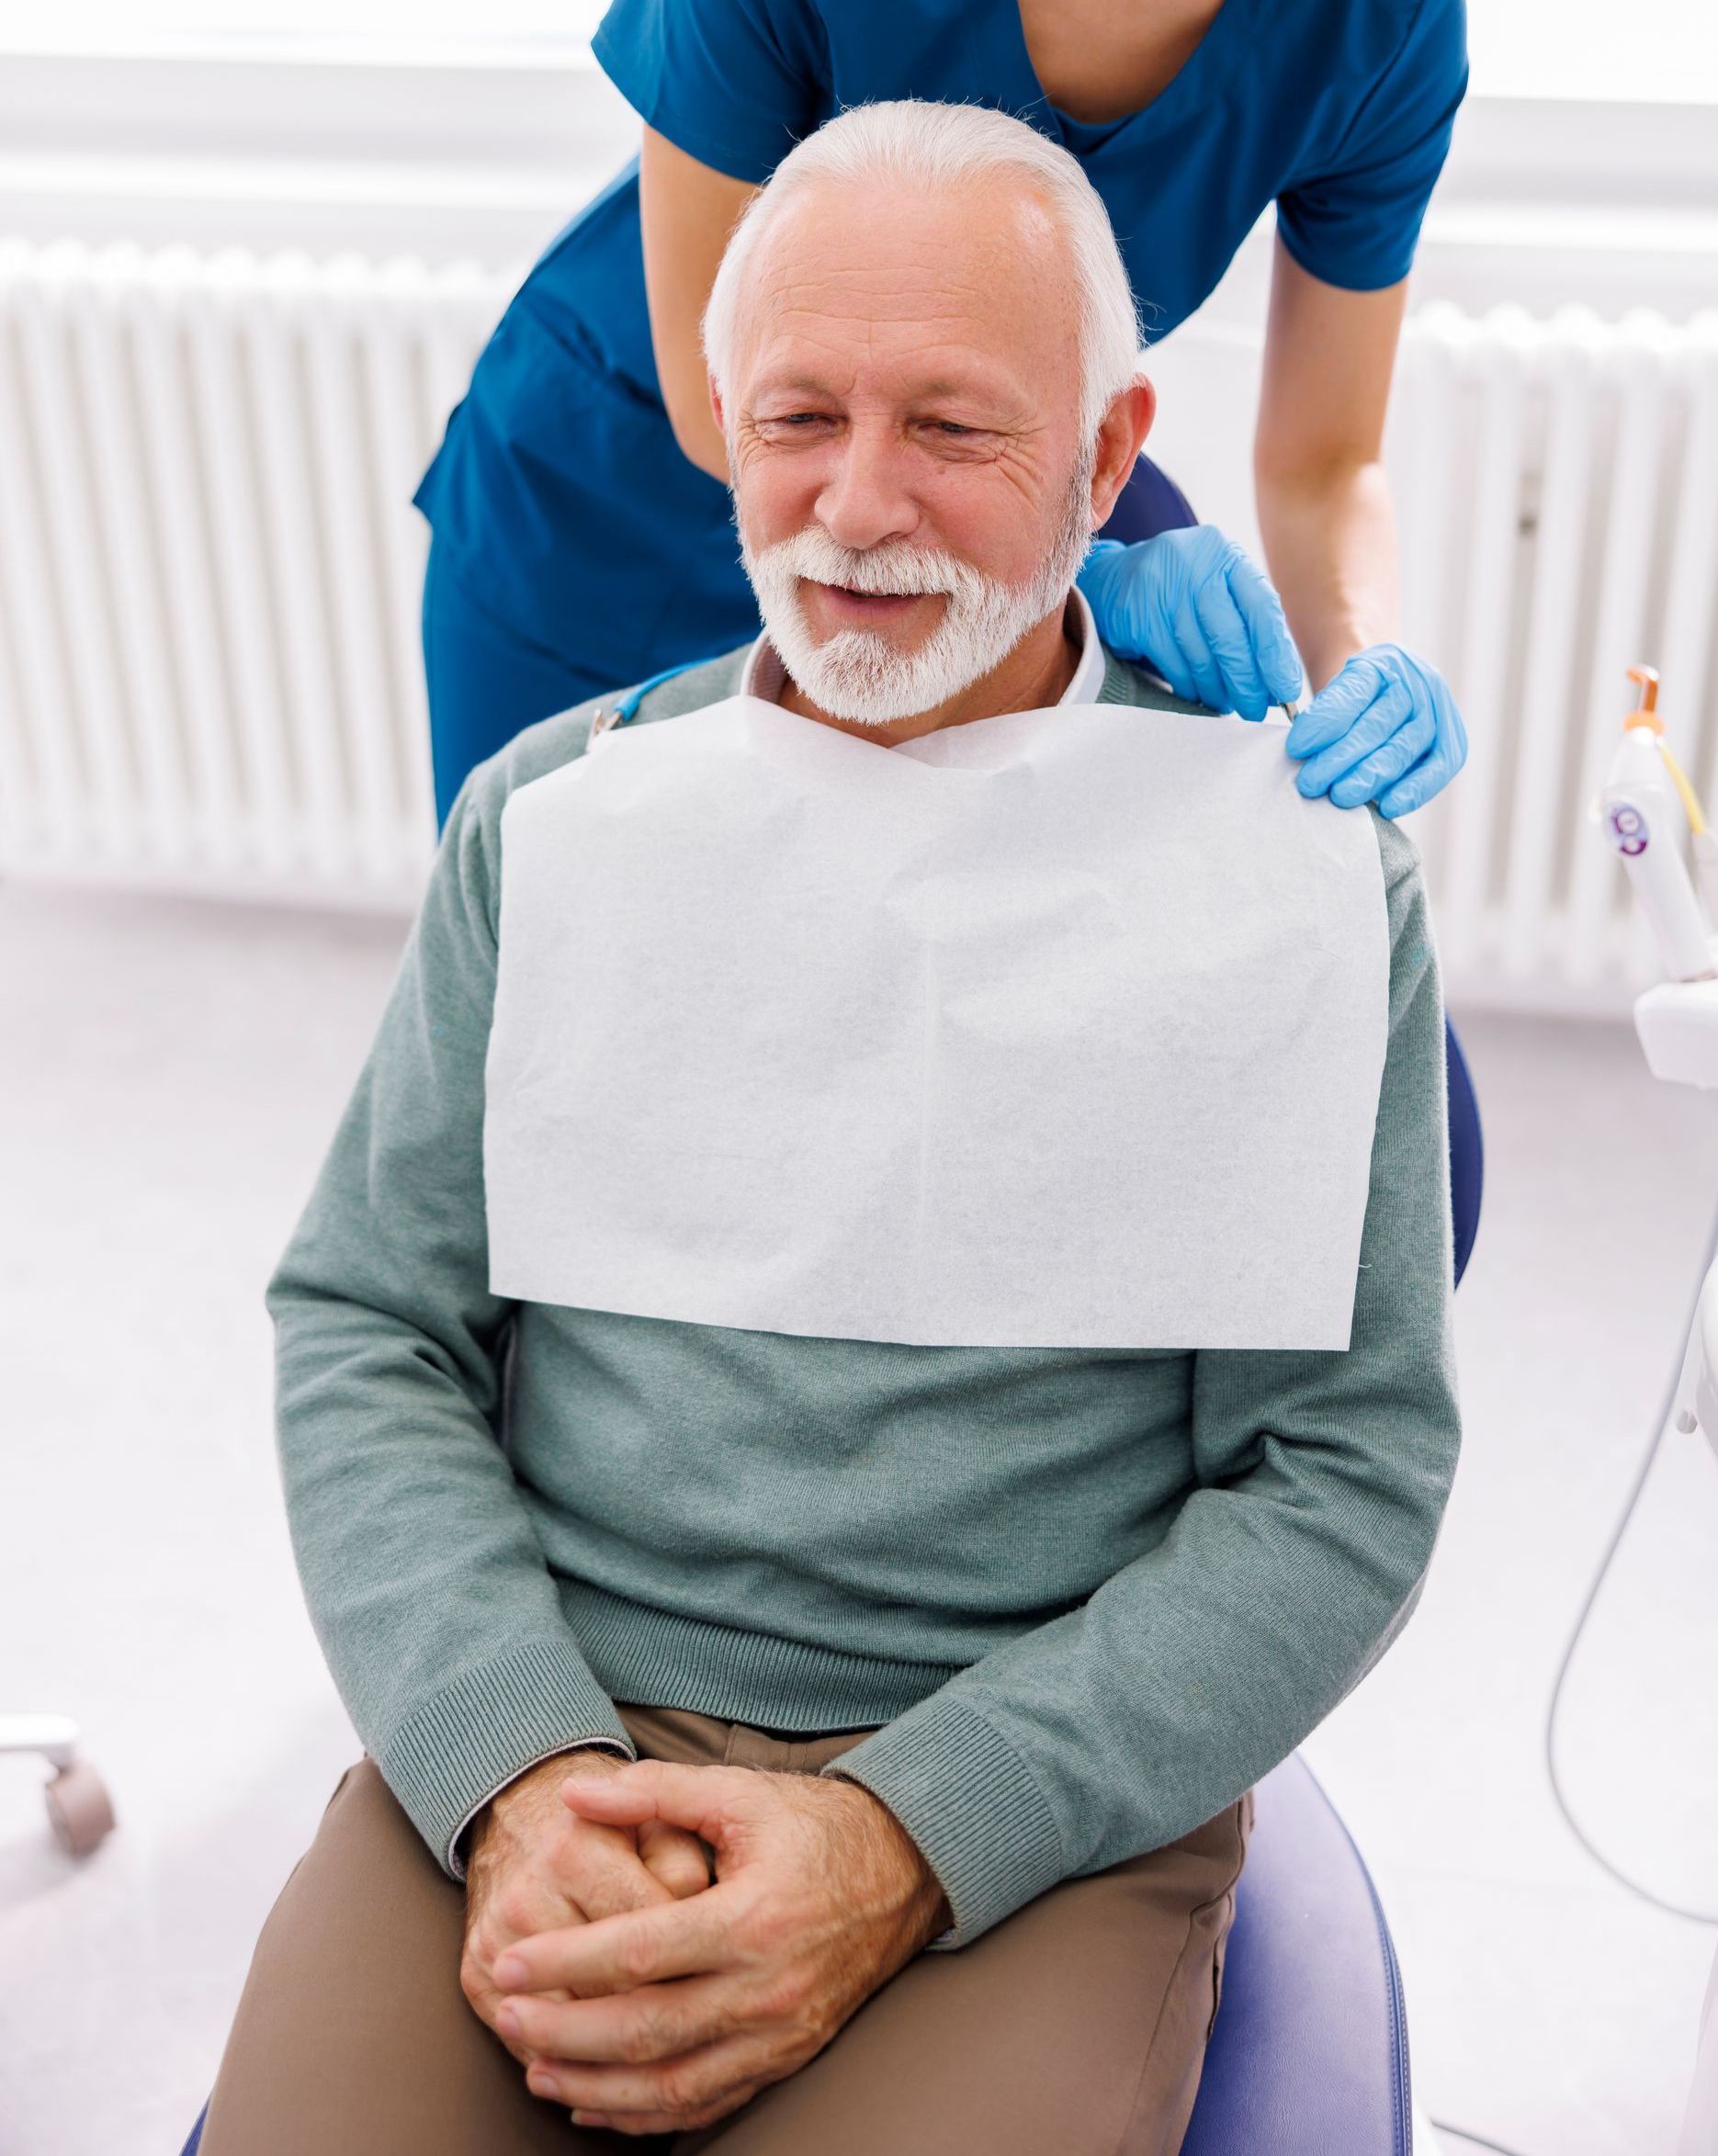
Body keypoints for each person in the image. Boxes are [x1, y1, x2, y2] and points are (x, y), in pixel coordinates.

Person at [199, 102, 1461, 2156]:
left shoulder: (1287, 883)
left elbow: (1339, 1472)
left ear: (1111, 454)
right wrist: (514, 1770)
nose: (856, 509)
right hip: (562, 1724)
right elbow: (367, 1329)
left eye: (955, 430)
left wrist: (907, 1834)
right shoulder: (555, 821)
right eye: (798, 417)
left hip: (1017, 1769)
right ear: (719, 415)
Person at [414, 0, 1471, 828]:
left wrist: (1357, 667)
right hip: (608, 502)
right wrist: (1070, 570)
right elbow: (711, 393)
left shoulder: (1383, 26)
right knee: (565, 980)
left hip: (964, 512)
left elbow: (1324, 460)